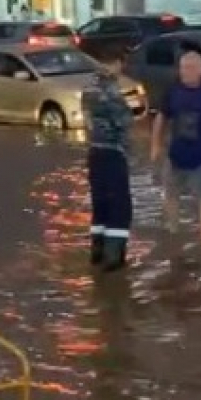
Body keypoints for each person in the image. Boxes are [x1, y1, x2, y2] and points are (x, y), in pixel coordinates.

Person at [150, 50, 201, 241]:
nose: (186, 72)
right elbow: (161, 117)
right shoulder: (173, 90)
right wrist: (155, 144)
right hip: (177, 154)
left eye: (190, 68)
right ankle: (172, 230)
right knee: (170, 193)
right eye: (183, 68)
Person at [80, 50, 135, 271]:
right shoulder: (111, 89)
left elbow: (87, 119)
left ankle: (97, 252)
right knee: (119, 206)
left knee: (100, 204)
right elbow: (123, 121)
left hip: (95, 152)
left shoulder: (88, 86)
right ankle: (114, 258)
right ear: (114, 63)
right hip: (114, 152)